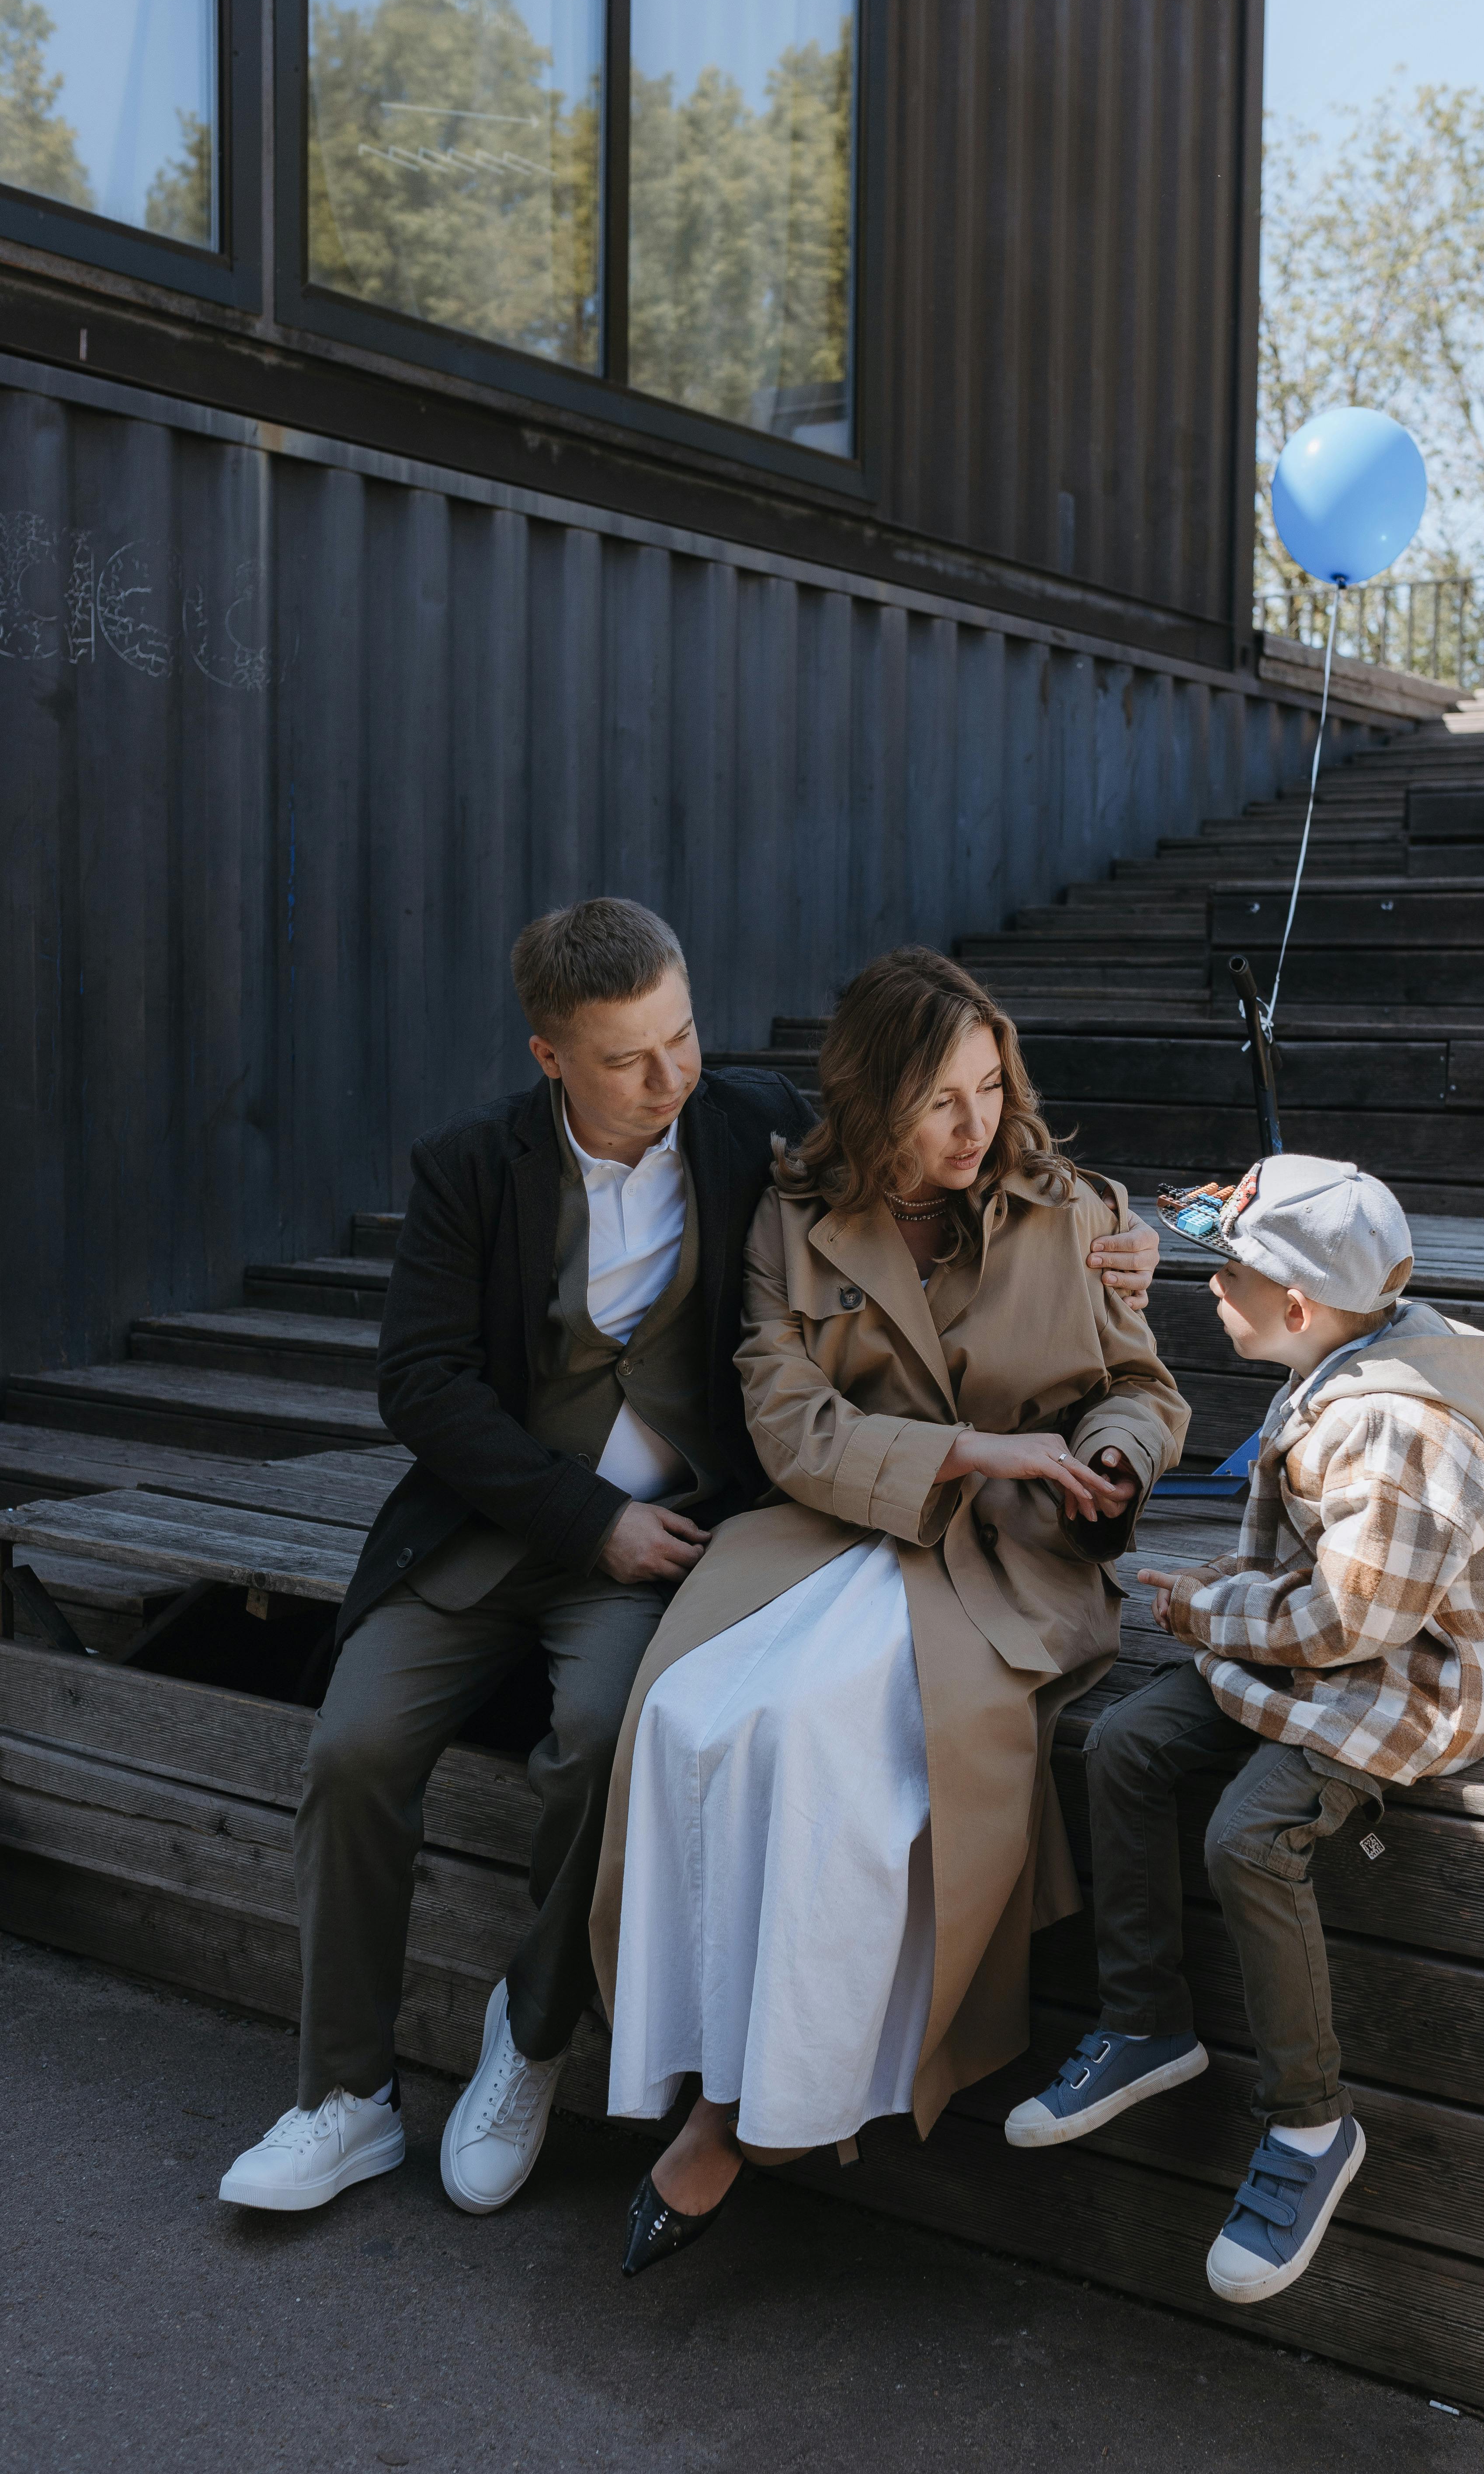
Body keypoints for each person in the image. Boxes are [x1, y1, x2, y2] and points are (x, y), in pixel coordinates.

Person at [218, 902, 1164, 2215]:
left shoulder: (747, 1131)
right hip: (497, 1532)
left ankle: (533, 2038)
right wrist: (582, 1516)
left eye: (685, 1039)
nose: (672, 1079)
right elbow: (422, 1388)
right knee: (352, 1750)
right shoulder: (469, 1170)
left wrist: (1146, 1243)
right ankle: (343, 2096)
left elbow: (982, 1176)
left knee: (617, 1730)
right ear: (551, 1056)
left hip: (673, 1551)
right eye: (629, 1059)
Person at [591, 946, 1191, 2276]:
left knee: (820, 1745)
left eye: (989, 1088)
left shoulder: (1075, 1209)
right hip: (832, 1528)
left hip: (1013, 1558)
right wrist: (976, 1452)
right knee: (693, 1714)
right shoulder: (790, 1218)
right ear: (871, 1105)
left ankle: (743, 2117)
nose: (975, 1126)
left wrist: (1111, 1456)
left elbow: (1141, 1389)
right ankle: (701, 2046)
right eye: (938, 1103)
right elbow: (789, 1425)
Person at [1005, 1155, 1484, 2307]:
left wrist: (1209, 1607)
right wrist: (1233, 1595)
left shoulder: (1387, 1430)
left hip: (1413, 1676)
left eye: (1229, 1273)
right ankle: (1146, 2020)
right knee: (1122, 1745)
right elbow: (1328, 1580)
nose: (1211, 1289)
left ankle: (1309, 2127)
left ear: (1295, 1307)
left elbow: (1356, 1618)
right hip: (1328, 1641)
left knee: (1248, 1836)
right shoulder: (1331, 1366)